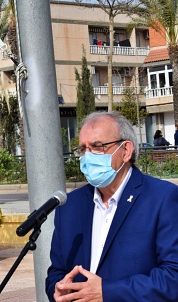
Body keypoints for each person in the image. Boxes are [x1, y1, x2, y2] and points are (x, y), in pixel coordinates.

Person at [45, 111, 178, 301]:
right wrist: (57, 290)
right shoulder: (69, 206)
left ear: (125, 151)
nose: (88, 156)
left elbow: (173, 278)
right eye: (83, 149)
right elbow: (56, 273)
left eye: (98, 147)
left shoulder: (163, 199)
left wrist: (107, 292)